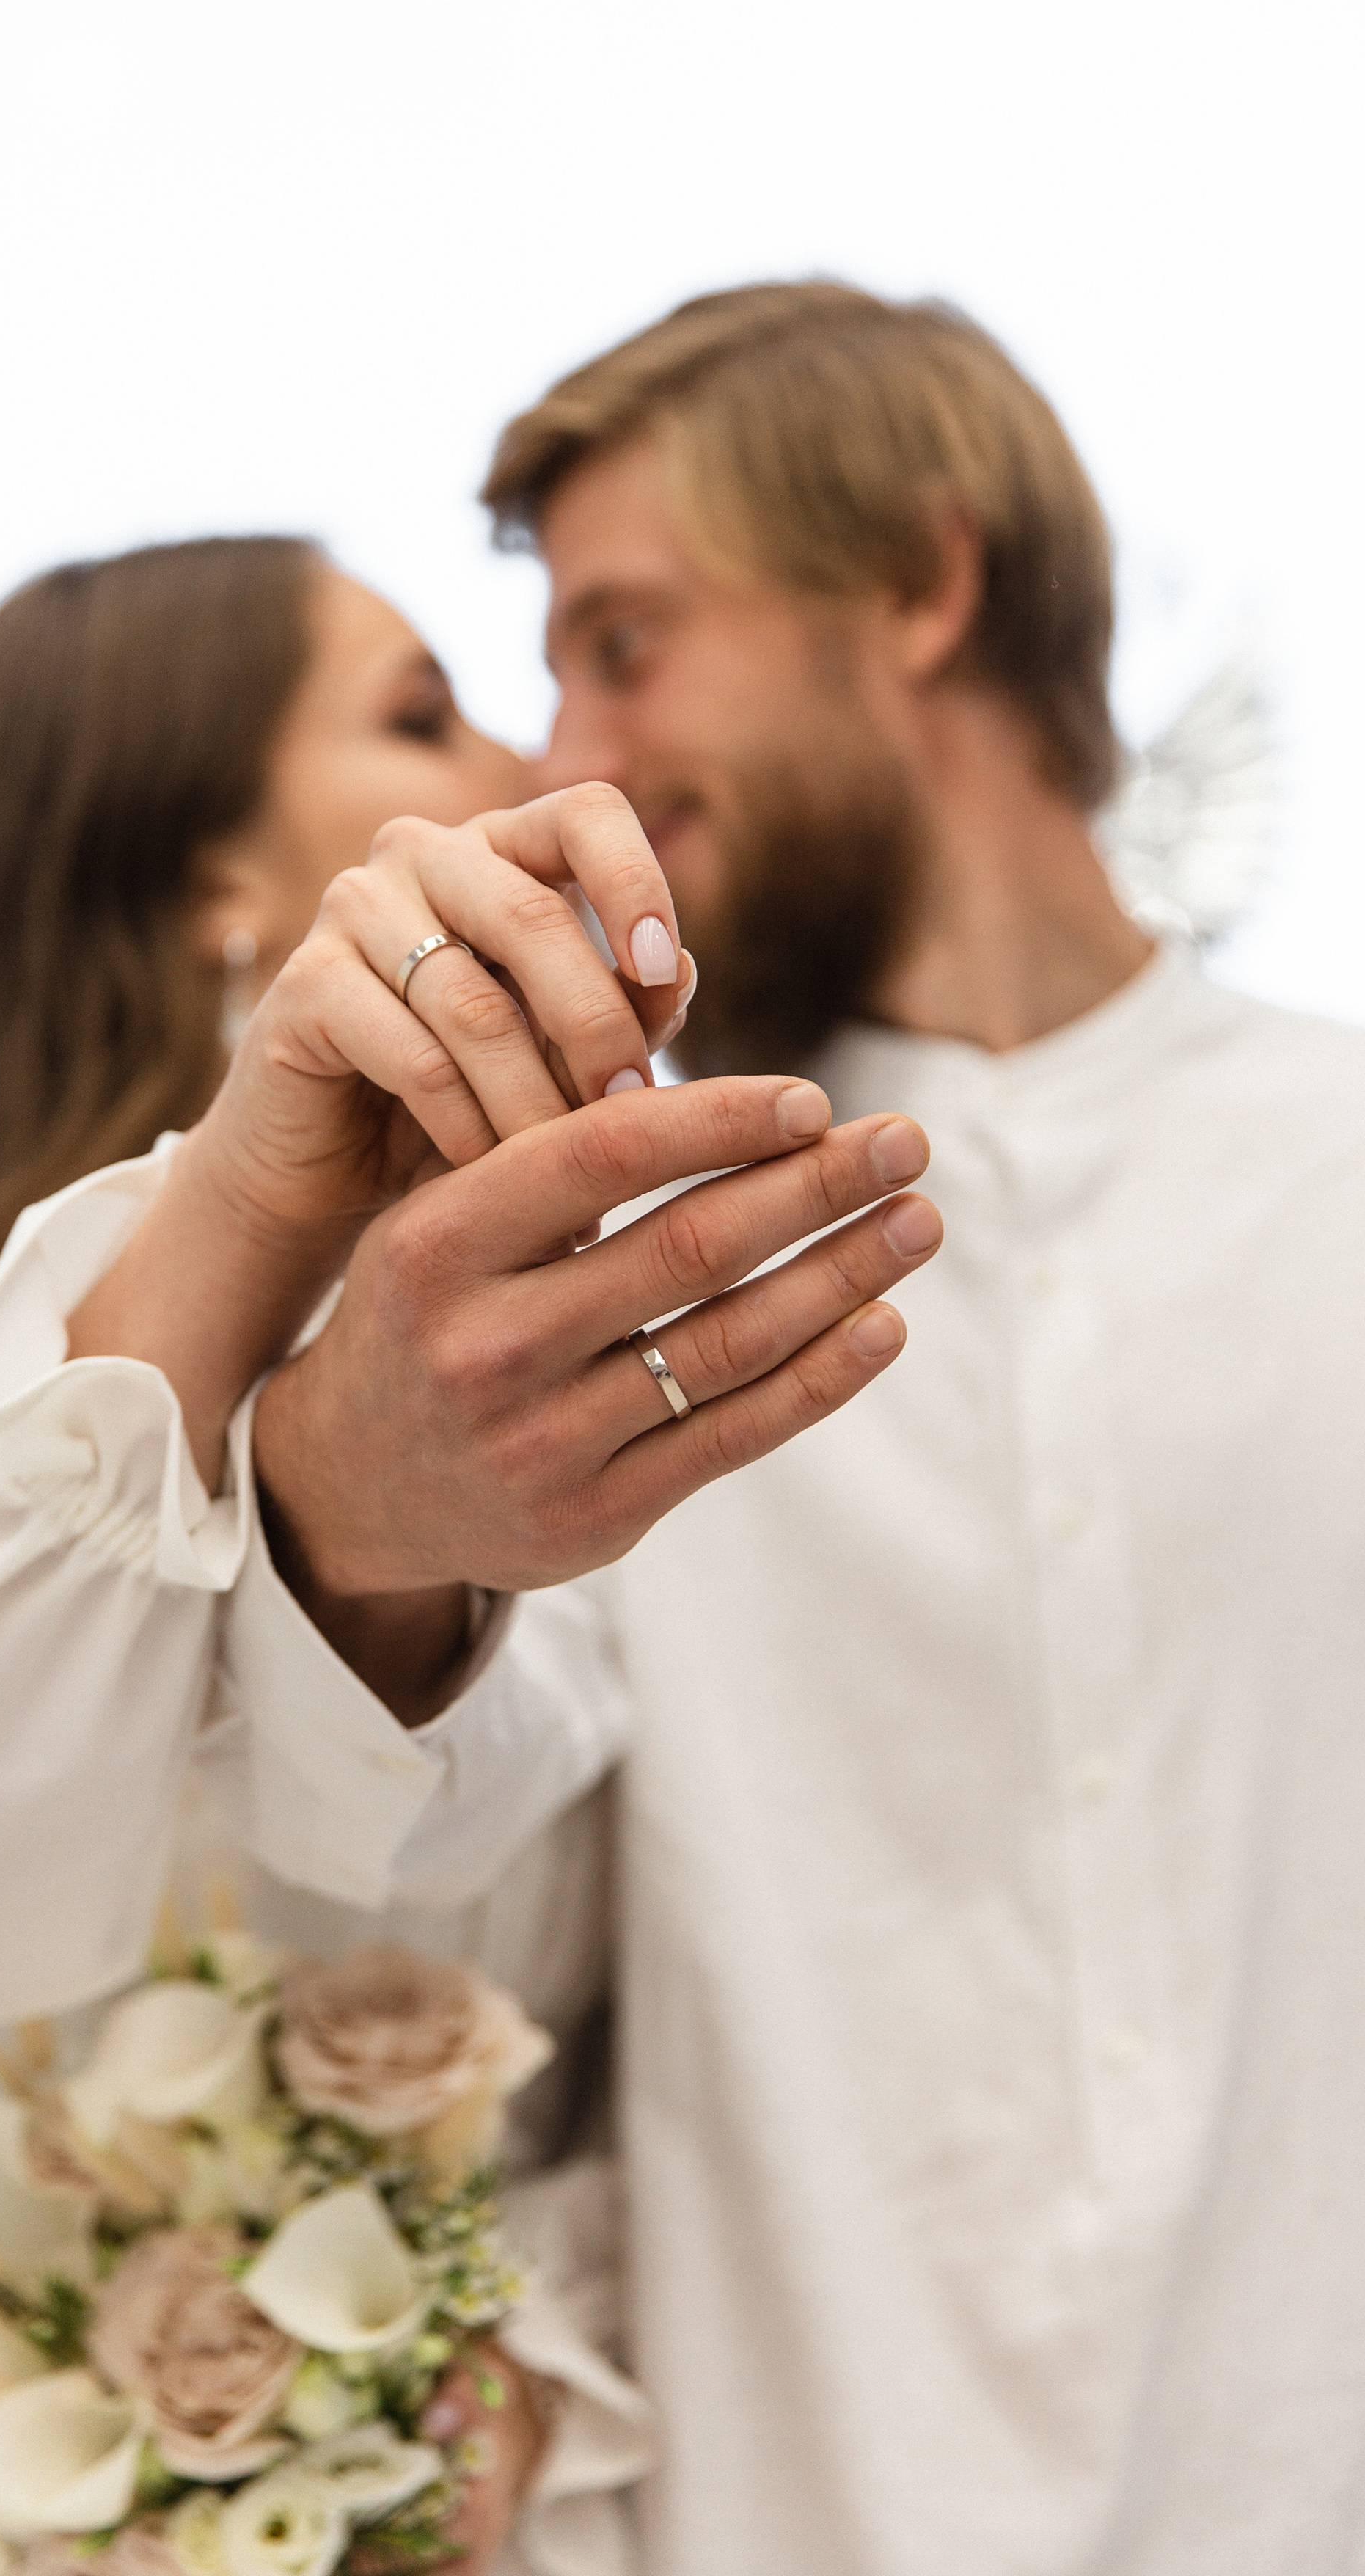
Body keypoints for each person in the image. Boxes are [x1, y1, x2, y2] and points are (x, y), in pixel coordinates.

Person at [0, 525, 937, 2572]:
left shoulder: (566, 1399)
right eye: (422, 711)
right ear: (213, 890)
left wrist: (527, 2350)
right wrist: (267, 1246)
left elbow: (638, 2068)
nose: (532, 754)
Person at [224, 282, 1365, 2575]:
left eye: (626, 645)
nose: (569, 758)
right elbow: (383, 1876)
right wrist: (344, 1507)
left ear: (925, 591)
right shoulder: (552, 1273)